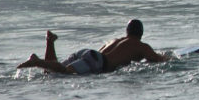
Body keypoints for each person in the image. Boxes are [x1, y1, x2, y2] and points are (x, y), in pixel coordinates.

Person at [17, 19, 173, 74]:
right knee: (64, 72)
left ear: (127, 31)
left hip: (88, 53)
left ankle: (50, 42)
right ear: (141, 33)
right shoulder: (140, 45)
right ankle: (36, 61)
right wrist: (170, 57)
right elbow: (157, 59)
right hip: (97, 61)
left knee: (51, 72)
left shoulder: (115, 40)